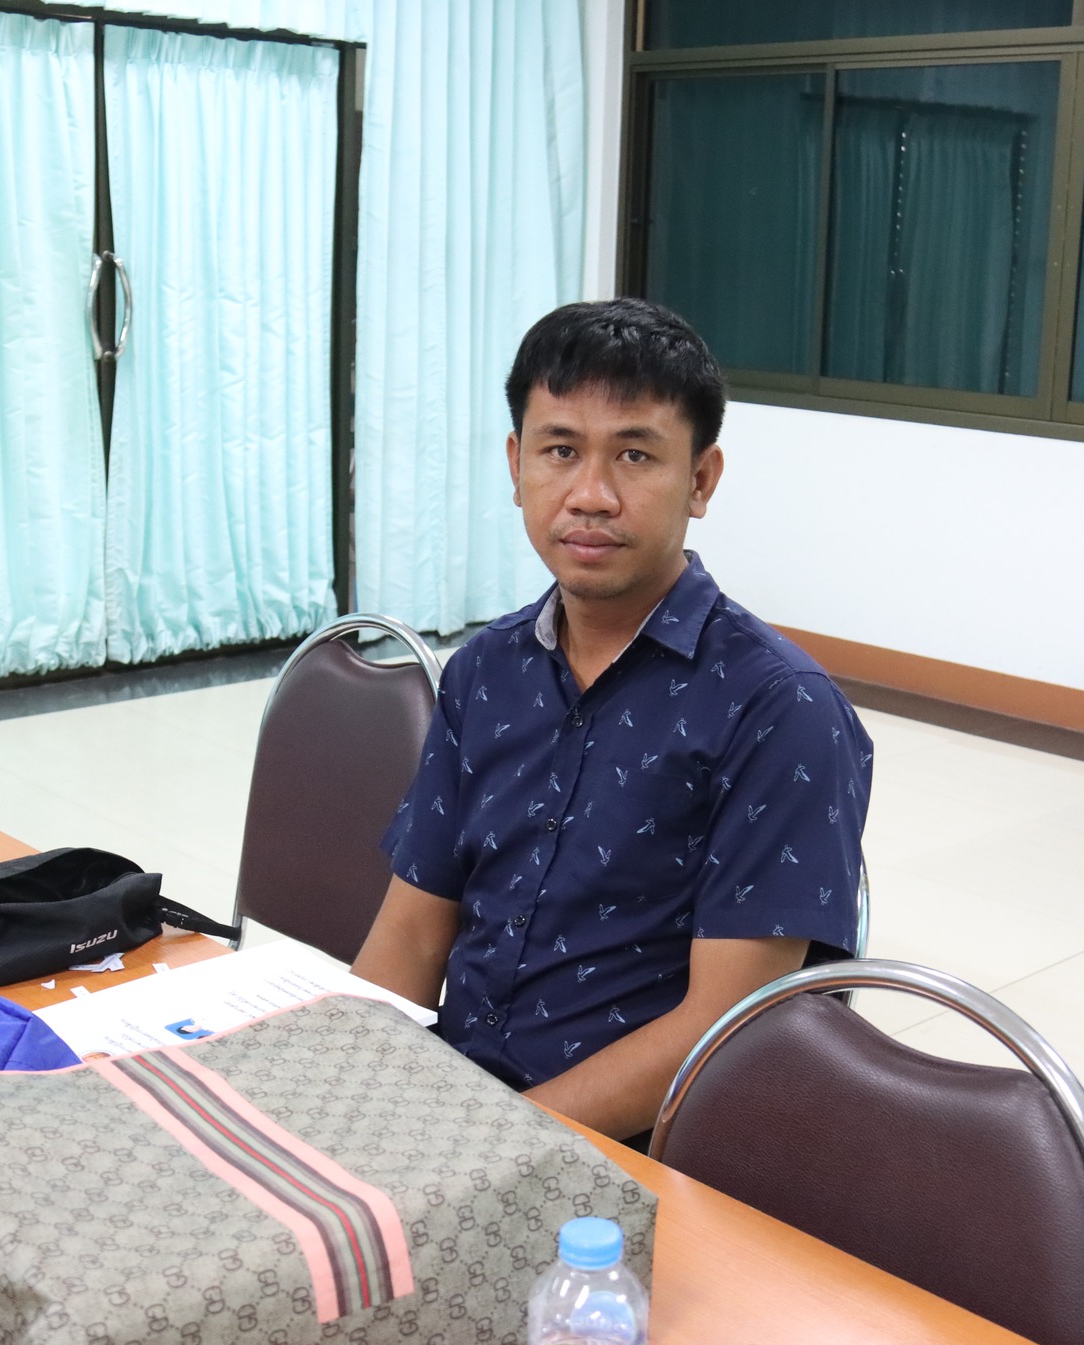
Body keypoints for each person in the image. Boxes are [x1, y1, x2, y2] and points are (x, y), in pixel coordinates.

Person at [352, 299, 873, 1141]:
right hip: (455, 1110)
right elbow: (411, 936)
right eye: (560, 450)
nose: (590, 496)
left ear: (700, 480)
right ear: (517, 464)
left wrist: (490, 1143)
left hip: (639, 1151)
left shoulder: (780, 709)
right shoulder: (485, 670)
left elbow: (726, 1025)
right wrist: (346, 1097)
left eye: (635, 454)